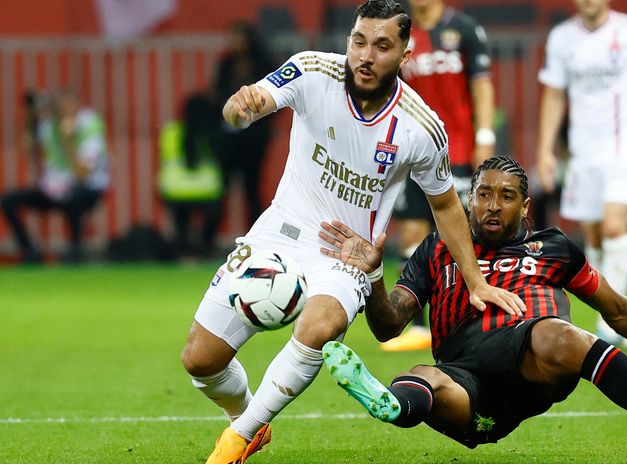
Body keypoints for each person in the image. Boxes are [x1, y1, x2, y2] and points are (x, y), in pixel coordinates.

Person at [179, 2, 524, 463]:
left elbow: (444, 205)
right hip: (279, 233)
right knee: (200, 360)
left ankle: (238, 437)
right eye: (359, 41)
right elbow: (246, 107)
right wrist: (238, 109)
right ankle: (246, 416)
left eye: (382, 46)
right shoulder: (310, 71)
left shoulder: (422, 128)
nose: (366, 55)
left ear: (404, 55)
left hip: (347, 256)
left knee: (321, 326)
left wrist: (476, 281)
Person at [317, 156, 627, 464]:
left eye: (506, 196)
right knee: (425, 378)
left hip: (533, 357)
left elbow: (619, 312)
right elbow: (388, 325)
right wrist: (373, 277)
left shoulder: (553, 248)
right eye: (483, 194)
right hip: (469, 386)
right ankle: (393, 403)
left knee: (557, 334)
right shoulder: (439, 248)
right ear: (468, 201)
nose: (492, 205)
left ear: (525, 207)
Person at [535, 0, 627, 347]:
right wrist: (545, 149)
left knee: (613, 226)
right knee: (593, 237)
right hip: (584, 152)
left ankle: (615, 323)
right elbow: (555, 94)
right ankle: (611, 309)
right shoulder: (562, 39)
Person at [382, 0, 496, 351]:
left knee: (465, 231)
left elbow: (481, 85)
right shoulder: (401, 32)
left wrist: (485, 135)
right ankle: (418, 326)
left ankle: (481, 311)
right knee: (413, 231)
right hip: (414, 151)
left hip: (458, 148)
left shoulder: (462, 29)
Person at [1, 88, 109, 263]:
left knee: (74, 194)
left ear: (78, 106)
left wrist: (69, 141)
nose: (63, 111)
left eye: (68, 106)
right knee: (7, 201)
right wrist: (31, 117)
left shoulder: (90, 125)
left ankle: (75, 251)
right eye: (60, 107)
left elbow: (82, 174)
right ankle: (29, 250)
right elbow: (27, 150)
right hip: (55, 187)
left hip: (88, 187)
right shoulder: (49, 125)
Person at [214, 21, 276, 227]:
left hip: (255, 136)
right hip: (228, 136)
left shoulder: (263, 64)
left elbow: (275, 99)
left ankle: (255, 236)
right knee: (221, 187)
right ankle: (207, 240)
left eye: (239, 37)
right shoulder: (226, 63)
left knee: (252, 187)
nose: (234, 42)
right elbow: (218, 93)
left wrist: (260, 123)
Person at [158, 93, 224, 260]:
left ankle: (184, 251)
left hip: (175, 189)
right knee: (213, 216)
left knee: (181, 221)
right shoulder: (212, 132)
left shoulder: (171, 131)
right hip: (208, 190)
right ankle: (205, 249)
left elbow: (163, 159)